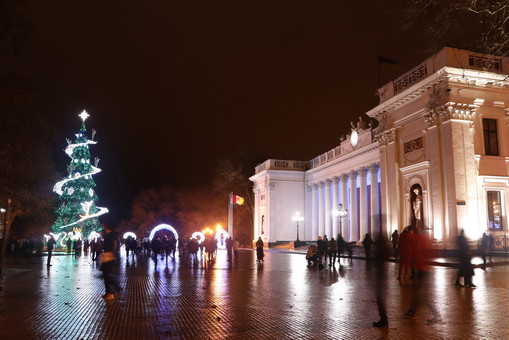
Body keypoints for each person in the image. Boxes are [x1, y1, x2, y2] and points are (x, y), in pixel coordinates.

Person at [372, 232, 389, 328]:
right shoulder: (384, 249)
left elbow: (377, 261)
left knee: (380, 298)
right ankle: (384, 319)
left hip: (380, 276)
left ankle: (384, 320)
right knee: (380, 299)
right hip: (382, 275)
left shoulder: (380, 250)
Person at [100, 225, 121, 300]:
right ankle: (109, 291)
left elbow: (112, 247)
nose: (101, 233)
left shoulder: (110, 237)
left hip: (109, 258)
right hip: (107, 258)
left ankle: (111, 291)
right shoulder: (109, 237)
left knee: (106, 276)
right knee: (105, 276)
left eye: (103, 231)